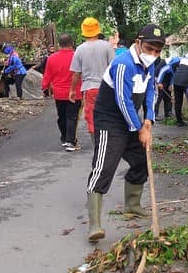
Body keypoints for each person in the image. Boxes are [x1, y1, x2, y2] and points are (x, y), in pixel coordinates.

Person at [85, 24, 165, 242]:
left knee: (140, 160)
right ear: (138, 43)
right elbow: (123, 99)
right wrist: (139, 128)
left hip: (131, 121)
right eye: (149, 48)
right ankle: (94, 225)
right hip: (110, 121)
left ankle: (132, 205)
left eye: (158, 51)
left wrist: (148, 120)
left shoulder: (149, 66)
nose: (153, 55)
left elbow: (151, 91)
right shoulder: (123, 64)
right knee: (104, 168)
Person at [69, 17, 115, 144]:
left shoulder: (80, 49)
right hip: (107, 88)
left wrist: (72, 90)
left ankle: (97, 144)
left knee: (91, 117)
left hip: (90, 89)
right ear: (97, 30)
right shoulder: (107, 46)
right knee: (108, 115)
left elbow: (76, 74)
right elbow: (114, 69)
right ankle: (108, 143)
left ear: (83, 31)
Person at [42, 34, 83, 152]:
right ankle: (71, 140)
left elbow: (47, 75)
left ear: (59, 44)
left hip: (58, 93)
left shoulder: (52, 58)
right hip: (75, 92)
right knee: (72, 117)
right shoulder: (77, 56)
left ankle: (64, 138)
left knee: (62, 116)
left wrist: (44, 87)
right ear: (72, 43)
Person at [154, 56, 179, 120]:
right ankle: (154, 114)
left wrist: (171, 84)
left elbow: (173, 73)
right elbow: (163, 70)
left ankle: (168, 113)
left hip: (167, 74)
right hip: (159, 73)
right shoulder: (176, 62)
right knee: (159, 95)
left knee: (168, 93)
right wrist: (159, 82)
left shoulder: (182, 66)